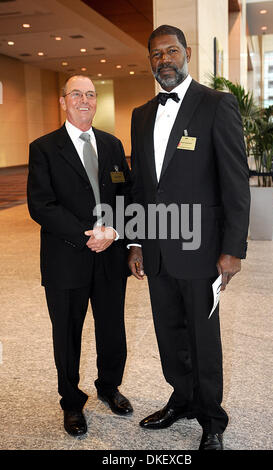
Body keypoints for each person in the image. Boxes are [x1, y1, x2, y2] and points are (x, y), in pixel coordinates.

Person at [128, 25, 250, 450]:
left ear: (187, 53)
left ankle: (212, 419)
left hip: (202, 250)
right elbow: (142, 188)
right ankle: (181, 399)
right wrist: (137, 241)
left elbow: (236, 182)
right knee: (169, 332)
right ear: (150, 61)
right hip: (158, 248)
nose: (164, 59)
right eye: (156, 53)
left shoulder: (217, 105)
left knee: (203, 335)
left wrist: (232, 250)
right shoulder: (140, 115)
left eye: (172, 51)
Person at [27, 75, 133, 437]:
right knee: (67, 334)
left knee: (111, 328)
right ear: (63, 101)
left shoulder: (113, 144)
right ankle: (71, 402)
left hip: (110, 257)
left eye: (90, 94)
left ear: (96, 101)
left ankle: (109, 387)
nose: (84, 100)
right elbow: (41, 204)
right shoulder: (43, 148)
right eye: (76, 94)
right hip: (66, 257)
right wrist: (85, 235)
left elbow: (127, 196)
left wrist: (116, 233)